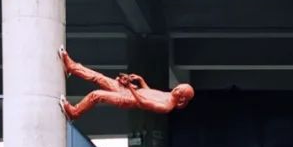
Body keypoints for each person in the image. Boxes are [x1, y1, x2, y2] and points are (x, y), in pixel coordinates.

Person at [59, 49, 194, 121]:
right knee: (99, 78)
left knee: (96, 95)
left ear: (181, 98)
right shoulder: (169, 95)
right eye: (178, 86)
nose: (175, 89)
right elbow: (149, 92)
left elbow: (142, 102)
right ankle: (72, 67)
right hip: (129, 90)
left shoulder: (167, 106)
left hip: (127, 99)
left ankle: (74, 112)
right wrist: (140, 80)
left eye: (178, 90)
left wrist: (129, 87)